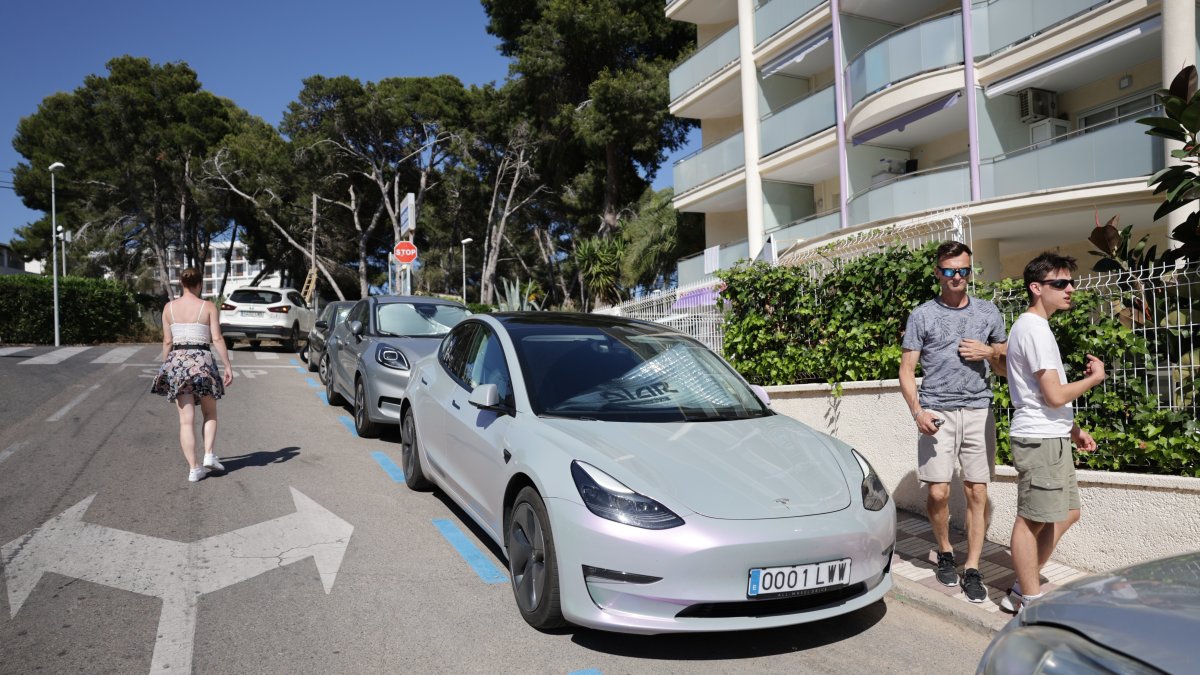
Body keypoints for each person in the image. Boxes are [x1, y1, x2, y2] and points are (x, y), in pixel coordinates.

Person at [900, 241, 1008, 603]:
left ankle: (973, 567)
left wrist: (991, 351)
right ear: (938, 273)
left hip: (978, 410)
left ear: (970, 271)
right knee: (938, 491)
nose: (957, 277)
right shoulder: (922, 315)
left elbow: (1005, 366)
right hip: (937, 411)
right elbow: (907, 369)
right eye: (949, 271)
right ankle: (945, 550)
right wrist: (918, 412)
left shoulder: (988, 313)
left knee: (977, 491)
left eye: (963, 270)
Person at [1000, 252, 1105, 612]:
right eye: (1059, 283)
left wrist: (1072, 429)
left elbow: (1045, 397)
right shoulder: (1033, 329)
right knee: (1031, 521)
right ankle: (1028, 598)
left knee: (1067, 512)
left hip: (1051, 435)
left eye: (1070, 282)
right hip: (1039, 438)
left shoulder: (1035, 328)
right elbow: (1054, 394)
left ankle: (1022, 584)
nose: (1069, 289)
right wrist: (1093, 378)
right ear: (1036, 288)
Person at [151, 268, 234, 482]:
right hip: (202, 362)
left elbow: (167, 341)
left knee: (186, 421)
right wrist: (227, 366)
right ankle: (208, 454)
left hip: (177, 362)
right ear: (198, 284)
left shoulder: (168, 308)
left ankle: (194, 469)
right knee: (210, 413)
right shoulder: (207, 307)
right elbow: (216, 338)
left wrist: (166, 367)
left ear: (181, 284)